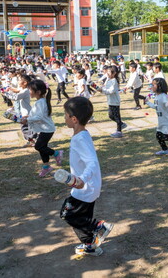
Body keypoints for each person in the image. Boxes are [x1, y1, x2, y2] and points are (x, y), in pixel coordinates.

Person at [60, 96, 114, 256]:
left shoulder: (79, 139)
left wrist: (81, 179)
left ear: (74, 119)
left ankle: (99, 226)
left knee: (67, 214)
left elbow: (92, 163)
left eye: (65, 115)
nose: (64, 118)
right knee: (82, 218)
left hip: (84, 187)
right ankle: (90, 245)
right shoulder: (82, 134)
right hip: (90, 186)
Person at [24, 79, 63, 177]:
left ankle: (56, 153)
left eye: (30, 90)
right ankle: (46, 167)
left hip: (47, 129)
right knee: (42, 148)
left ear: (38, 92)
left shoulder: (40, 102)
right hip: (44, 129)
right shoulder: (40, 101)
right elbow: (38, 115)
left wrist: (28, 120)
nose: (29, 92)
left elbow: (39, 117)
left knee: (38, 146)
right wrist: (28, 117)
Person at [6, 74, 35, 147]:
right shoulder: (24, 89)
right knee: (26, 128)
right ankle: (31, 141)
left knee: (24, 128)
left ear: (25, 82)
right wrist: (11, 89)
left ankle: (33, 140)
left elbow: (15, 98)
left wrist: (5, 93)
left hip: (26, 113)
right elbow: (17, 90)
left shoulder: (25, 91)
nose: (18, 81)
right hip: (24, 112)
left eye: (19, 80)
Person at [99, 65, 125, 138]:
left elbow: (111, 91)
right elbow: (105, 88)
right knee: (111, 115)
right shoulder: (109, 79)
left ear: (114, 73)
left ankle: (119, 131)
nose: (107, 73)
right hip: (110, 101)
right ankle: (121, 124)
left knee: (117, 117)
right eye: (107, 72)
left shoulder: (114, 81)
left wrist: (102, 90)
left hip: (115, 101)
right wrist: (101, 89)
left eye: (109, 72)